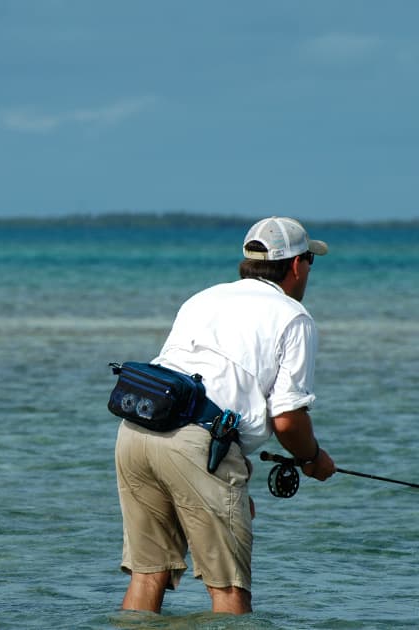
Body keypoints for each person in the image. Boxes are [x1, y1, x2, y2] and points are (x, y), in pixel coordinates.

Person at [114, 216, 337, 614]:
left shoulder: (204, 297)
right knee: (229, 589)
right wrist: (312, 459)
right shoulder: (293, 317)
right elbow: (287, 419)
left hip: (136, 430)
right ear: (297, 265)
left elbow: (208, 383)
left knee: (148, 575)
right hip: (198, 443)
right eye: (309, 263)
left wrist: (233, 471)